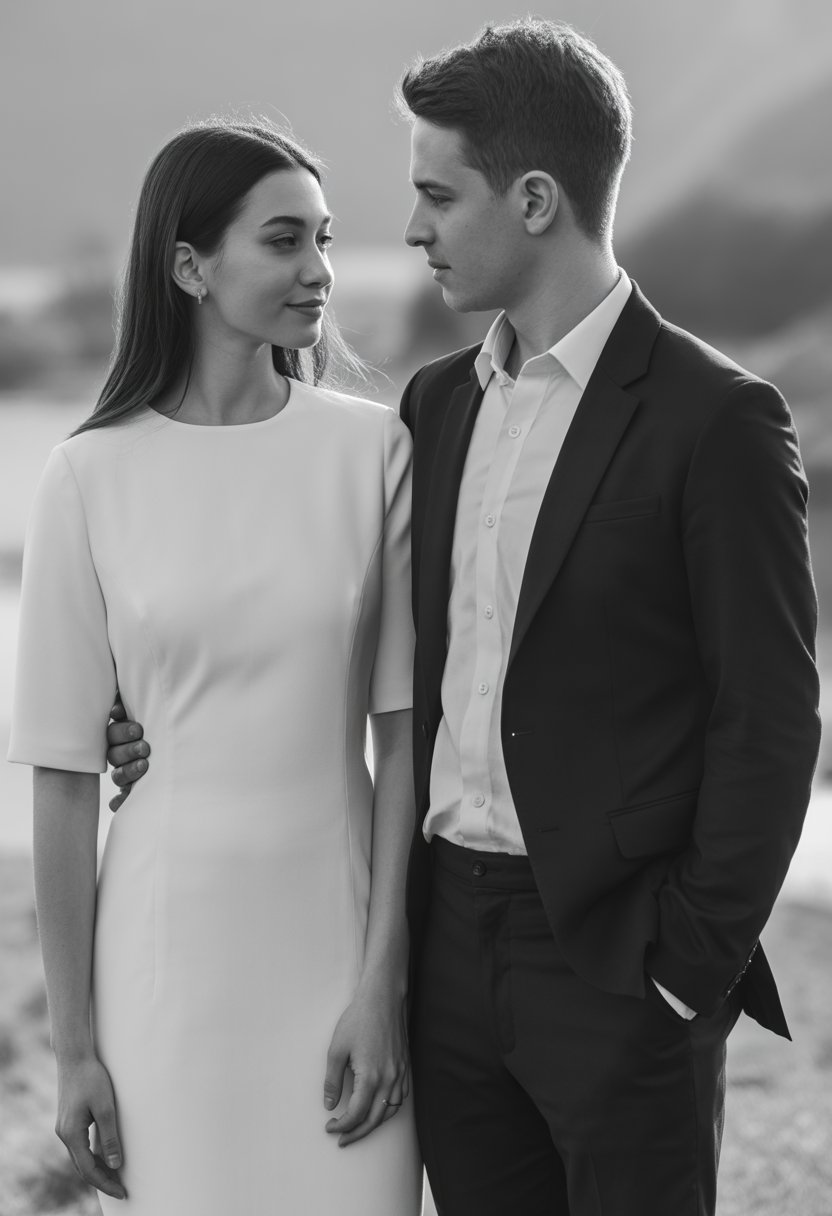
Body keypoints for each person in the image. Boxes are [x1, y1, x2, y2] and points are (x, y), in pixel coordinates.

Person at [106, 20, 821, 1216]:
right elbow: (329, 631)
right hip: (441, 950)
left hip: (618, 959)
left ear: (535, 198)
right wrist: (151, 716)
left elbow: (772, 722)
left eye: (437, 194)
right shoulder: (430, 410)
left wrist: (684, 968)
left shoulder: (717, 420)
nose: (416, 228)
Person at [8, 120, 423, 1215]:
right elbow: (59, 775)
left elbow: (403, 739)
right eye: (283, 241)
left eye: (325, 241)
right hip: (163, 979)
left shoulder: (372, 452)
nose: (319, 270)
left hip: (342, 965)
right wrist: (76, 1048)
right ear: (189, 266)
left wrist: (383, 985)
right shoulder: (88, 476)